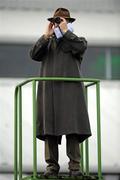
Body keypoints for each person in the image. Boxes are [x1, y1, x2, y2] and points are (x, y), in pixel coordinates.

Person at [29, 7, 91, 178]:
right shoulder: (47, 44)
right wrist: (46, 35)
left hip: (70, 92)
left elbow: (80, 48)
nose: (58, 24)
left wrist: (65, 32)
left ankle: (75, 168)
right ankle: (51, 167)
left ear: (69, 22)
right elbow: (33, 54)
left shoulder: (76, 41)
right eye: (56, 21)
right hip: (49, 92)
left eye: (63, 20)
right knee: (49, 129)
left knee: (73, 129)